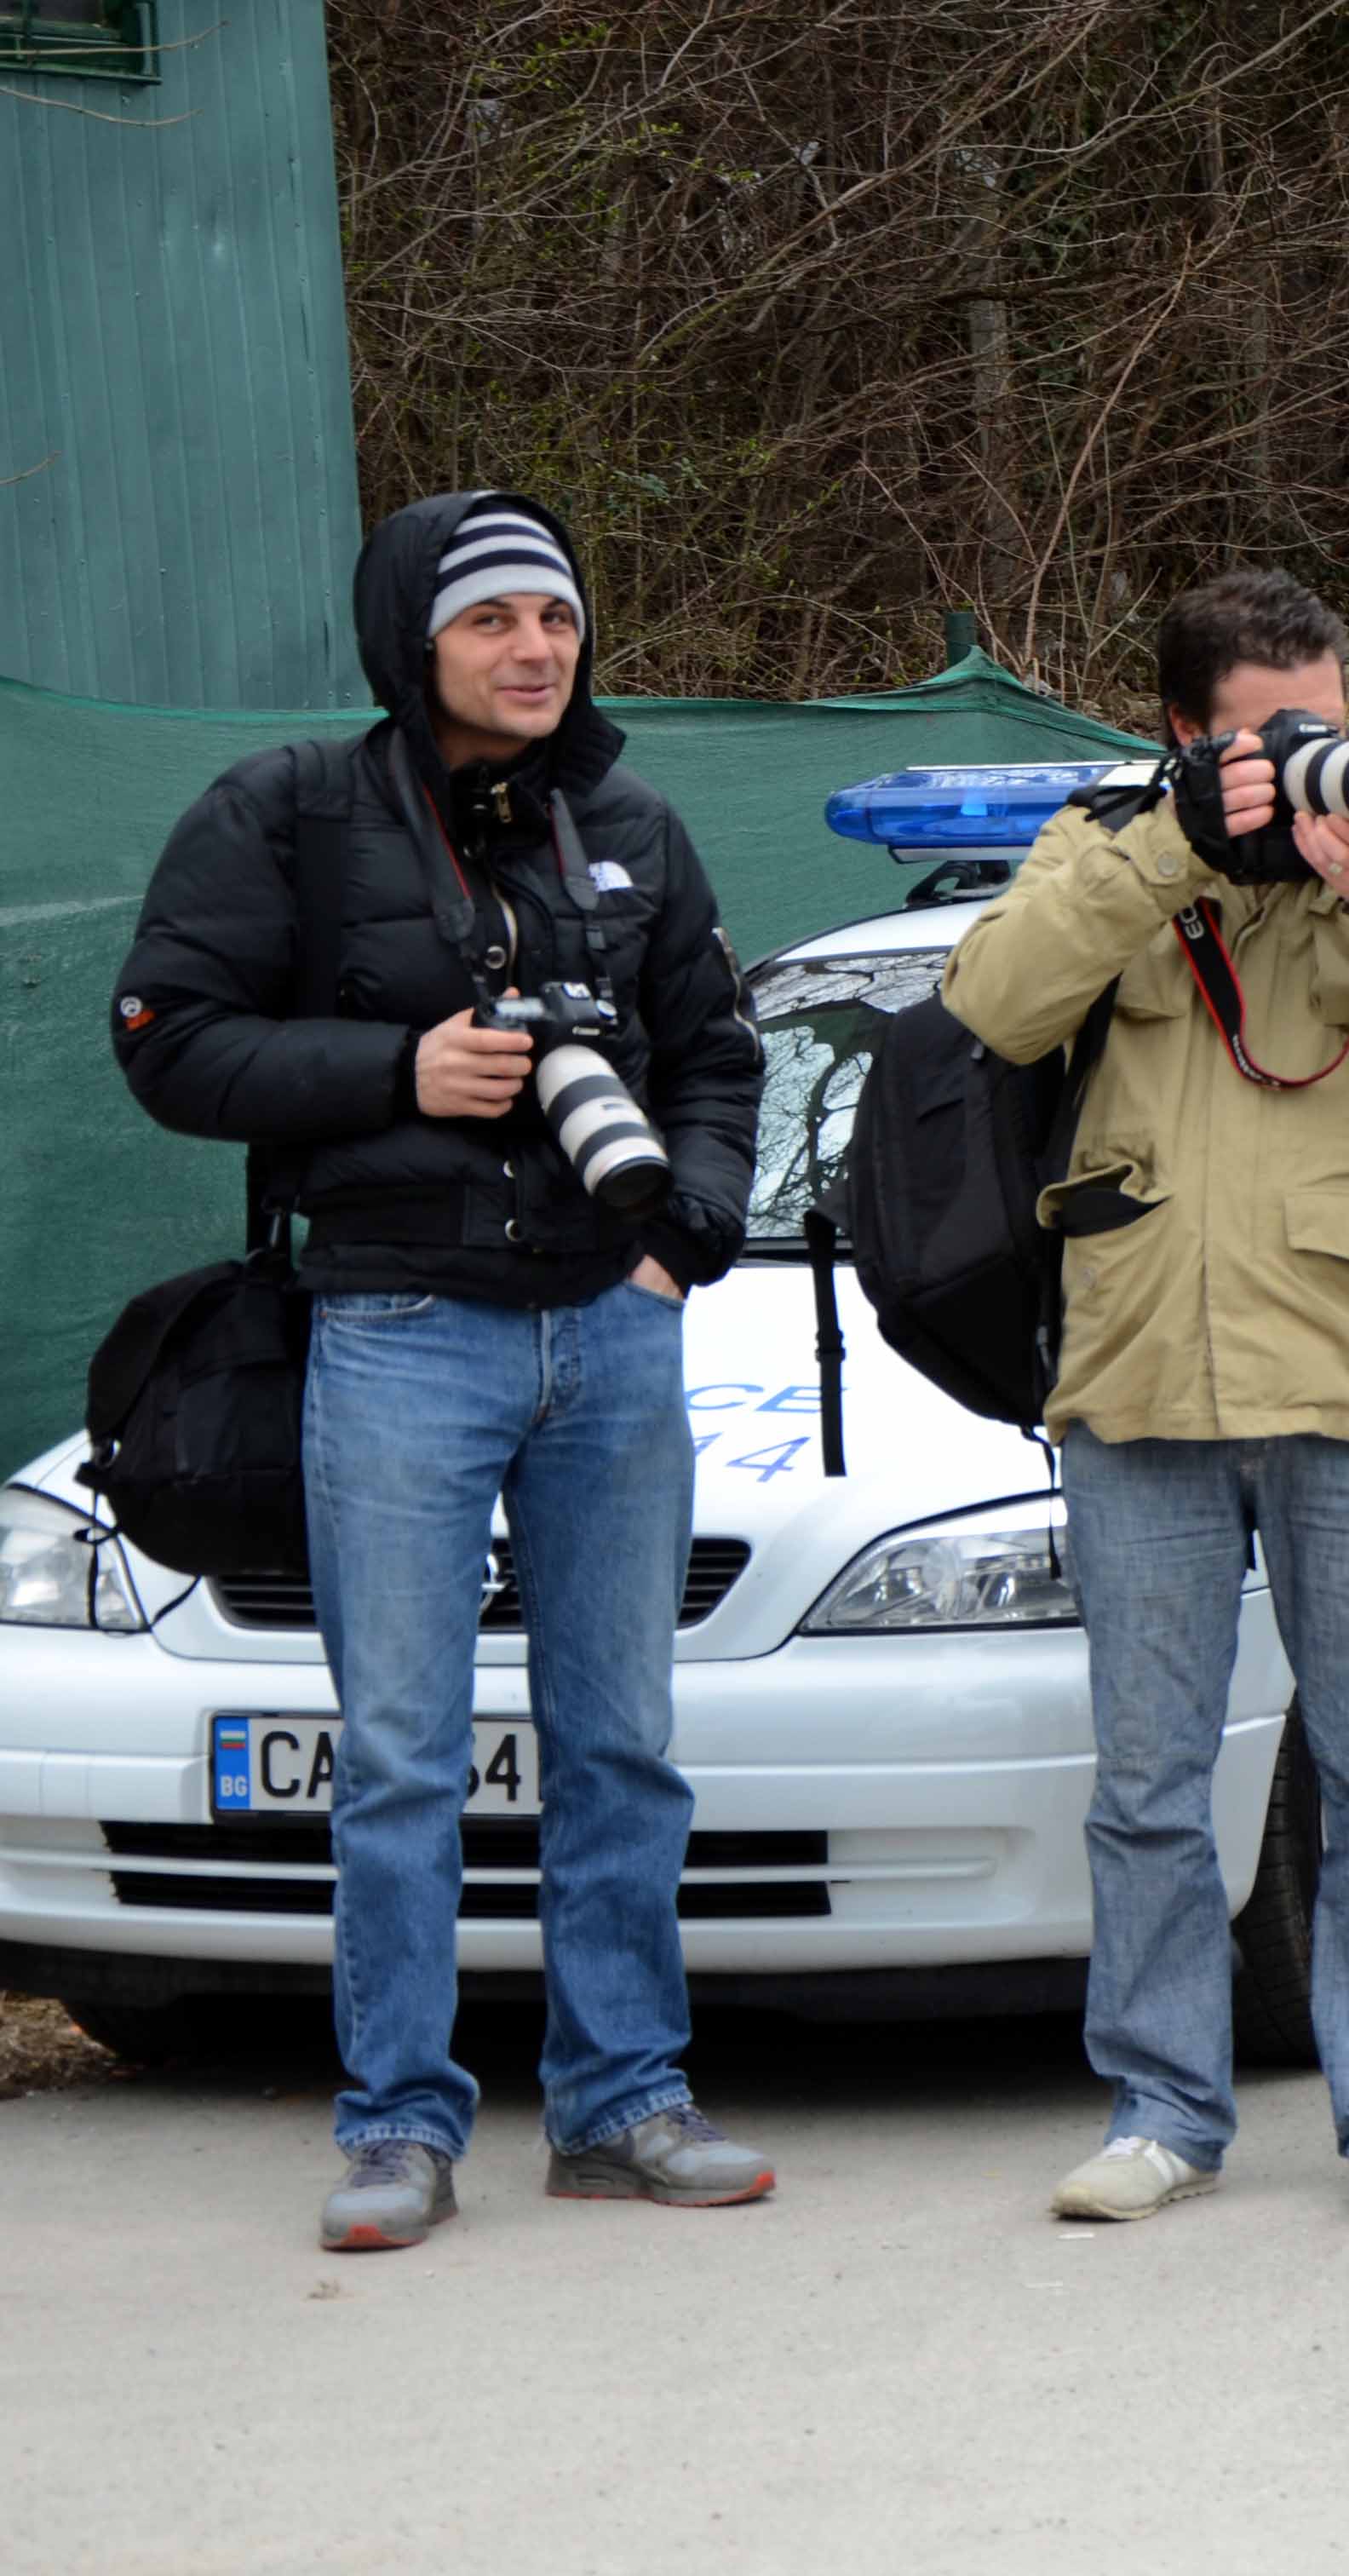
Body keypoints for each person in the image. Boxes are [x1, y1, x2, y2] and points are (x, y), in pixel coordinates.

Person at [113, 493, 773, 2251]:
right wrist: (400, 1069)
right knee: (402, 1756)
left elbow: (718, 1052)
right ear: (416, 641)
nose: (535, 649)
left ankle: (624, 2100)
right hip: (397, 1327)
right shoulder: (288, 811)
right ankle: (399, 2126)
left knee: (621, 1744)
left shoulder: (628, 819)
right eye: (494, 623)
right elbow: (168, 1043)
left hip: (614, 1334)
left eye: (555, 618)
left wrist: (682, 1228)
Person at [944, 570, 1349, 2228]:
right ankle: (1160, 2107)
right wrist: (1170, 849)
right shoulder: (1106, 849)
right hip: (1139, 1379)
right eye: (1265, 738)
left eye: (1328, 724)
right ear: (1177, 734)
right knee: (1148, 1774)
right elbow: (993, 1008)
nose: (1304, 760)